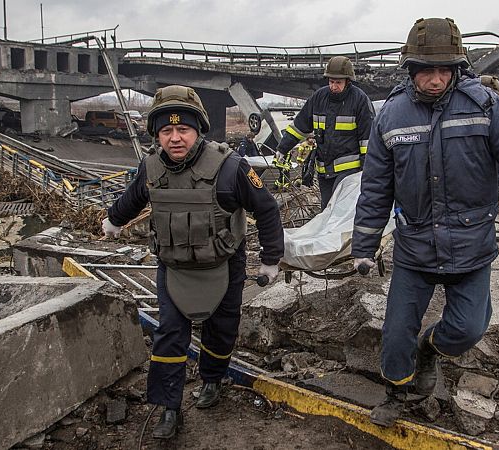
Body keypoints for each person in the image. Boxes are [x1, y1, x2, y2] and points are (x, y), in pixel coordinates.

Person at [351, 18, 499, 427]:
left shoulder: (485, 106)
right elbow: (376, 188)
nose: (436, 79)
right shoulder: (391, 116)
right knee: (394, 336)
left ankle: (430, 349)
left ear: (458, 68)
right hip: (415, 246)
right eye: (426, 70)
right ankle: (396, 392)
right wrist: (364, 247)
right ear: (410, 70)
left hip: (471, 245)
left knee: (467, 329)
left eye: (445, 70)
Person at [101, 85, 283, 440]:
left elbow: (267, 208)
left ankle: (213, 380)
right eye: (166, 131)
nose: (175, 137)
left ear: (198, 130)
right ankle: (169, 408)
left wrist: (270, 260)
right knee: (169, 335)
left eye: (182, 129)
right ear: (157, 134)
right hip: (175, 269)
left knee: (221, 330)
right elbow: (132, 199)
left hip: (224, 266)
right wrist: (113, 220)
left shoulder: (232, 168)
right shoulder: (151, 167)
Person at [274, 55, 375, 209]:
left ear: (348, 82)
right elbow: (299, 126)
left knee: (341, 213)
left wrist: (366, 171)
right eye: (331, 82)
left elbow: (368, 140)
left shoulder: (359, 100)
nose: (334, 86)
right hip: (324, 172)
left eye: (338, 82)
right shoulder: (319, 97)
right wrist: (283, 147)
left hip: (349, 173)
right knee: (327, 212)